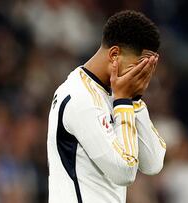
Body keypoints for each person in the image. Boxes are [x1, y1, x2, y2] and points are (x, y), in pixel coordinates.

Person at [47, 10, 166, 203]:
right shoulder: (79, 97)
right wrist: (124, 101)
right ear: (114, 54)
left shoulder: (116, 93)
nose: (142, 75)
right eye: (138, 66)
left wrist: (134, 100)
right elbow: (124, 172)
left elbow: (153, 163)